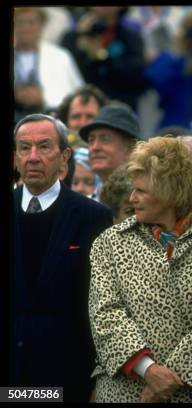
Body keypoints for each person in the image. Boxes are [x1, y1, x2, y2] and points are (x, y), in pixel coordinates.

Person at [88, 137, 192, 402]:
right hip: (123, 391)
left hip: (187, 391)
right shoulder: (111, 242)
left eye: (141, 191)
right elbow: (105, 314)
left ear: (170, 193)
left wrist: (166, 379)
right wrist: (147, 369)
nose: (132, 198)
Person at [11, 113, 113, 402]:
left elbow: (100, 304)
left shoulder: (93, 217)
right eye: (24, 147)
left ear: (64, 156)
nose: (32, 157)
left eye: (43, 146)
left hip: (66, 376)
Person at [13, 7, 84, 123]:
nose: (25, 28)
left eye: (31, 22)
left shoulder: (60, 56)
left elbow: (75, 95)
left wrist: (43, 98)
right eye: (20, 22)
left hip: (52, 120)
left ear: (42, 25)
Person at [80, 104, 142, 200]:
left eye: (105, 139)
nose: (95, 147)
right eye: (91, 140)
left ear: (131, 148)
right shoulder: (86, 206)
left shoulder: (143, 203)